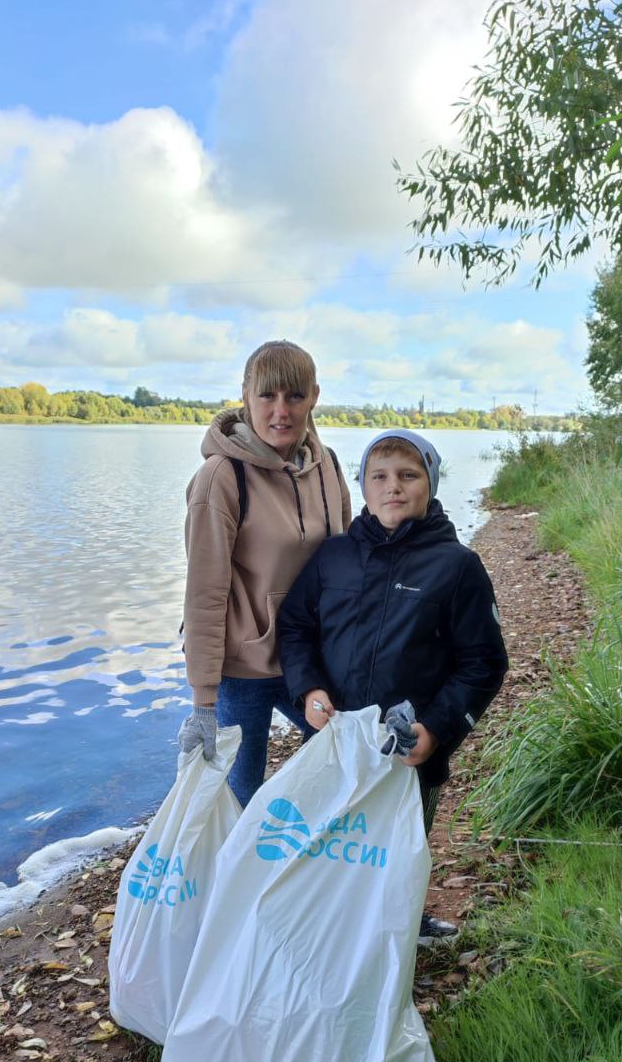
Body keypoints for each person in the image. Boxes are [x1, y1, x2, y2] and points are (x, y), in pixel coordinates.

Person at [277, 429, 508, 942]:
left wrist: (435, 729)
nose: (393, 487)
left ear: (431, 482)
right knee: (334, 843)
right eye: (378, 476)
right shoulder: (333, 557)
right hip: (336, 745)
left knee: (400, 850)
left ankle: (401, 930)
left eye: (408, 475)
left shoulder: (458, 566)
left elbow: (484, 663)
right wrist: (309, 690)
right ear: (362, 486)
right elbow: (295, 628)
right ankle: (332, 932)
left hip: (411, 755)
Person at [177, 340, 352, 807]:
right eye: (267, 396)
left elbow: (352, 564)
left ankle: (304, 872)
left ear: (314, 396)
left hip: (312, 662)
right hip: (243, 670)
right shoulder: (221, 477)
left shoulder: (328, 466)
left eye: (294, 396)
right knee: (239, 798)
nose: (281, 411)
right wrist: (202, 701)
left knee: (338, 765)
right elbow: (204, 594)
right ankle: (237, 879)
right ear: (245, 395)